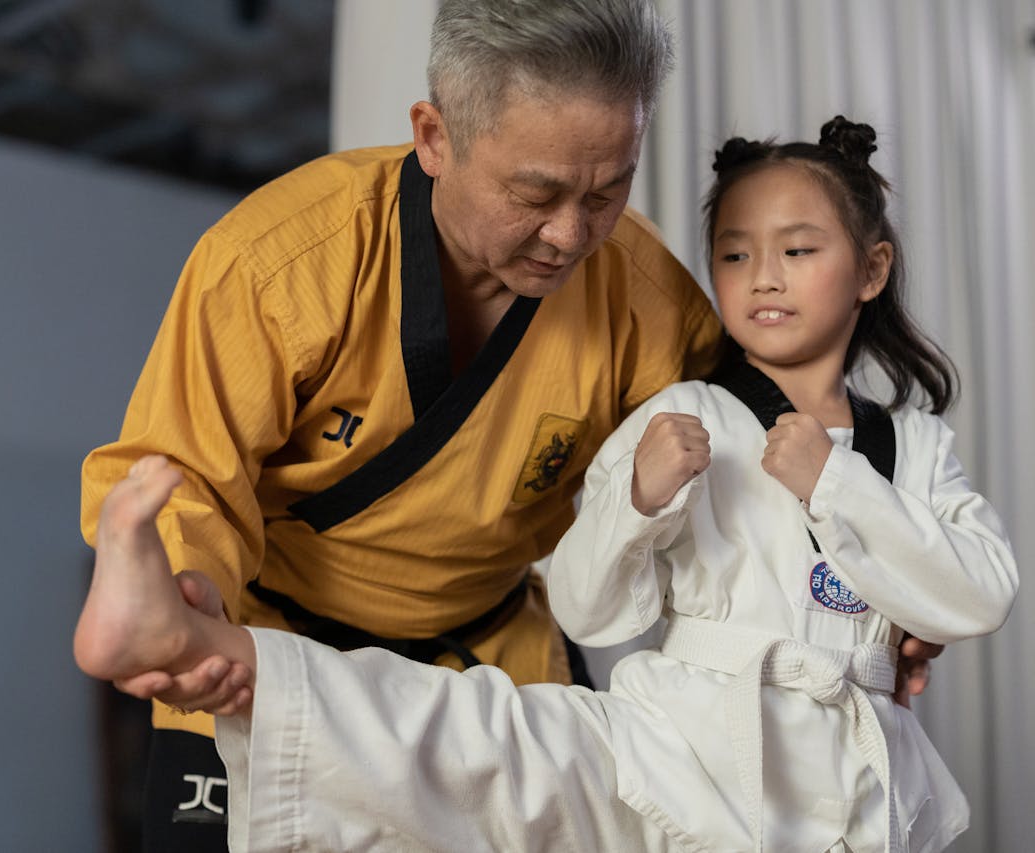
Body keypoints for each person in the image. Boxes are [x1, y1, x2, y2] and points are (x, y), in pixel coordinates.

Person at [75, 116, 1019, 852]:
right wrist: (639, 500)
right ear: (437, 138)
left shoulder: (909, 444)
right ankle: (220, 650)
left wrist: (846, 499)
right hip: (682, 740)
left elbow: (977, 589)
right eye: (733, 253)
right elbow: (588, 604)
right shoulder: (681, 409)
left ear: (870, 269)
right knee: (490, 747)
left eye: (798, 250)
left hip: (854, 774)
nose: (761, 278)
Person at [79, 1, 723, 847]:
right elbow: (189, 476)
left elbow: (740, 495)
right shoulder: (284, 260)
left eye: (607, 190)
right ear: (434, 136)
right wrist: (190, 588)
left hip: (484, 664)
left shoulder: (646, 300)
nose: (570, 234)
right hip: (267, 646)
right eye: (536, 192)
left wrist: (859, 606)